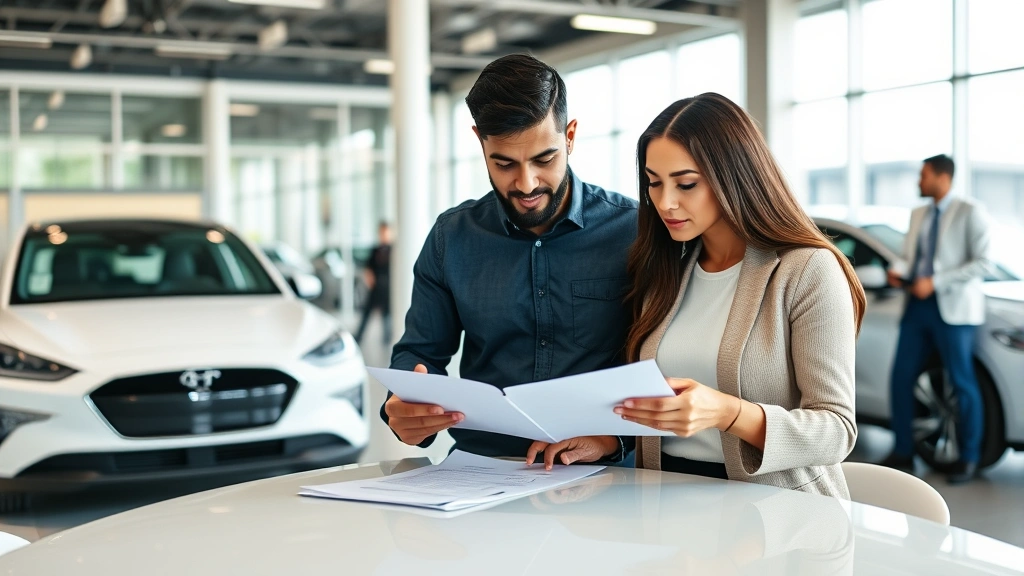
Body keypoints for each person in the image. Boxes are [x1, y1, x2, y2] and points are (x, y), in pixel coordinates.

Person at [381, 54, 638, 469]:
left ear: (570, 136)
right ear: (480, 141)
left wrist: (614, 439)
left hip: (605, 474)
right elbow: (420, 353)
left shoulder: (635, 232)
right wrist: (406, 408)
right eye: (504, 163)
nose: (526, 183)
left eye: (544, 159)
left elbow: (670, 362)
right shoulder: (452, 238)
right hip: (481, 468)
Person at [615, 93, 865, 498]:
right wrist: (609, 440)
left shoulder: (805, 270)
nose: (665, 202)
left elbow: (836, 431)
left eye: (686, 183)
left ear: (734, 175)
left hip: (776, 522)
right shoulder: (667, 271)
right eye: (654, 183)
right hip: (667, 508)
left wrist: (728, 412)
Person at [880, 154, 992, 485]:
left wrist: (937, 281)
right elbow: (909, 256)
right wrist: (898, 270)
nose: (919, 181)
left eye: (923, 175)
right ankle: (903, 452)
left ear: (942, 177)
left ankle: (969, 458)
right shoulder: (918, 214)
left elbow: (984, 263)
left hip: (955, 310)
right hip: (916, 305)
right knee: (901, 376)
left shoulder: (971, 211)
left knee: (962, 382)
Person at [355, 221, 393, 344]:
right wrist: (369, 279)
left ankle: (387, 340)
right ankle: (358, 337)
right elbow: (368, 268)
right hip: (375, 288)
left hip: (388, 288)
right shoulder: (375, 250)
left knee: (386, 316)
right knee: (367, 313)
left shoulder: (394, 251)